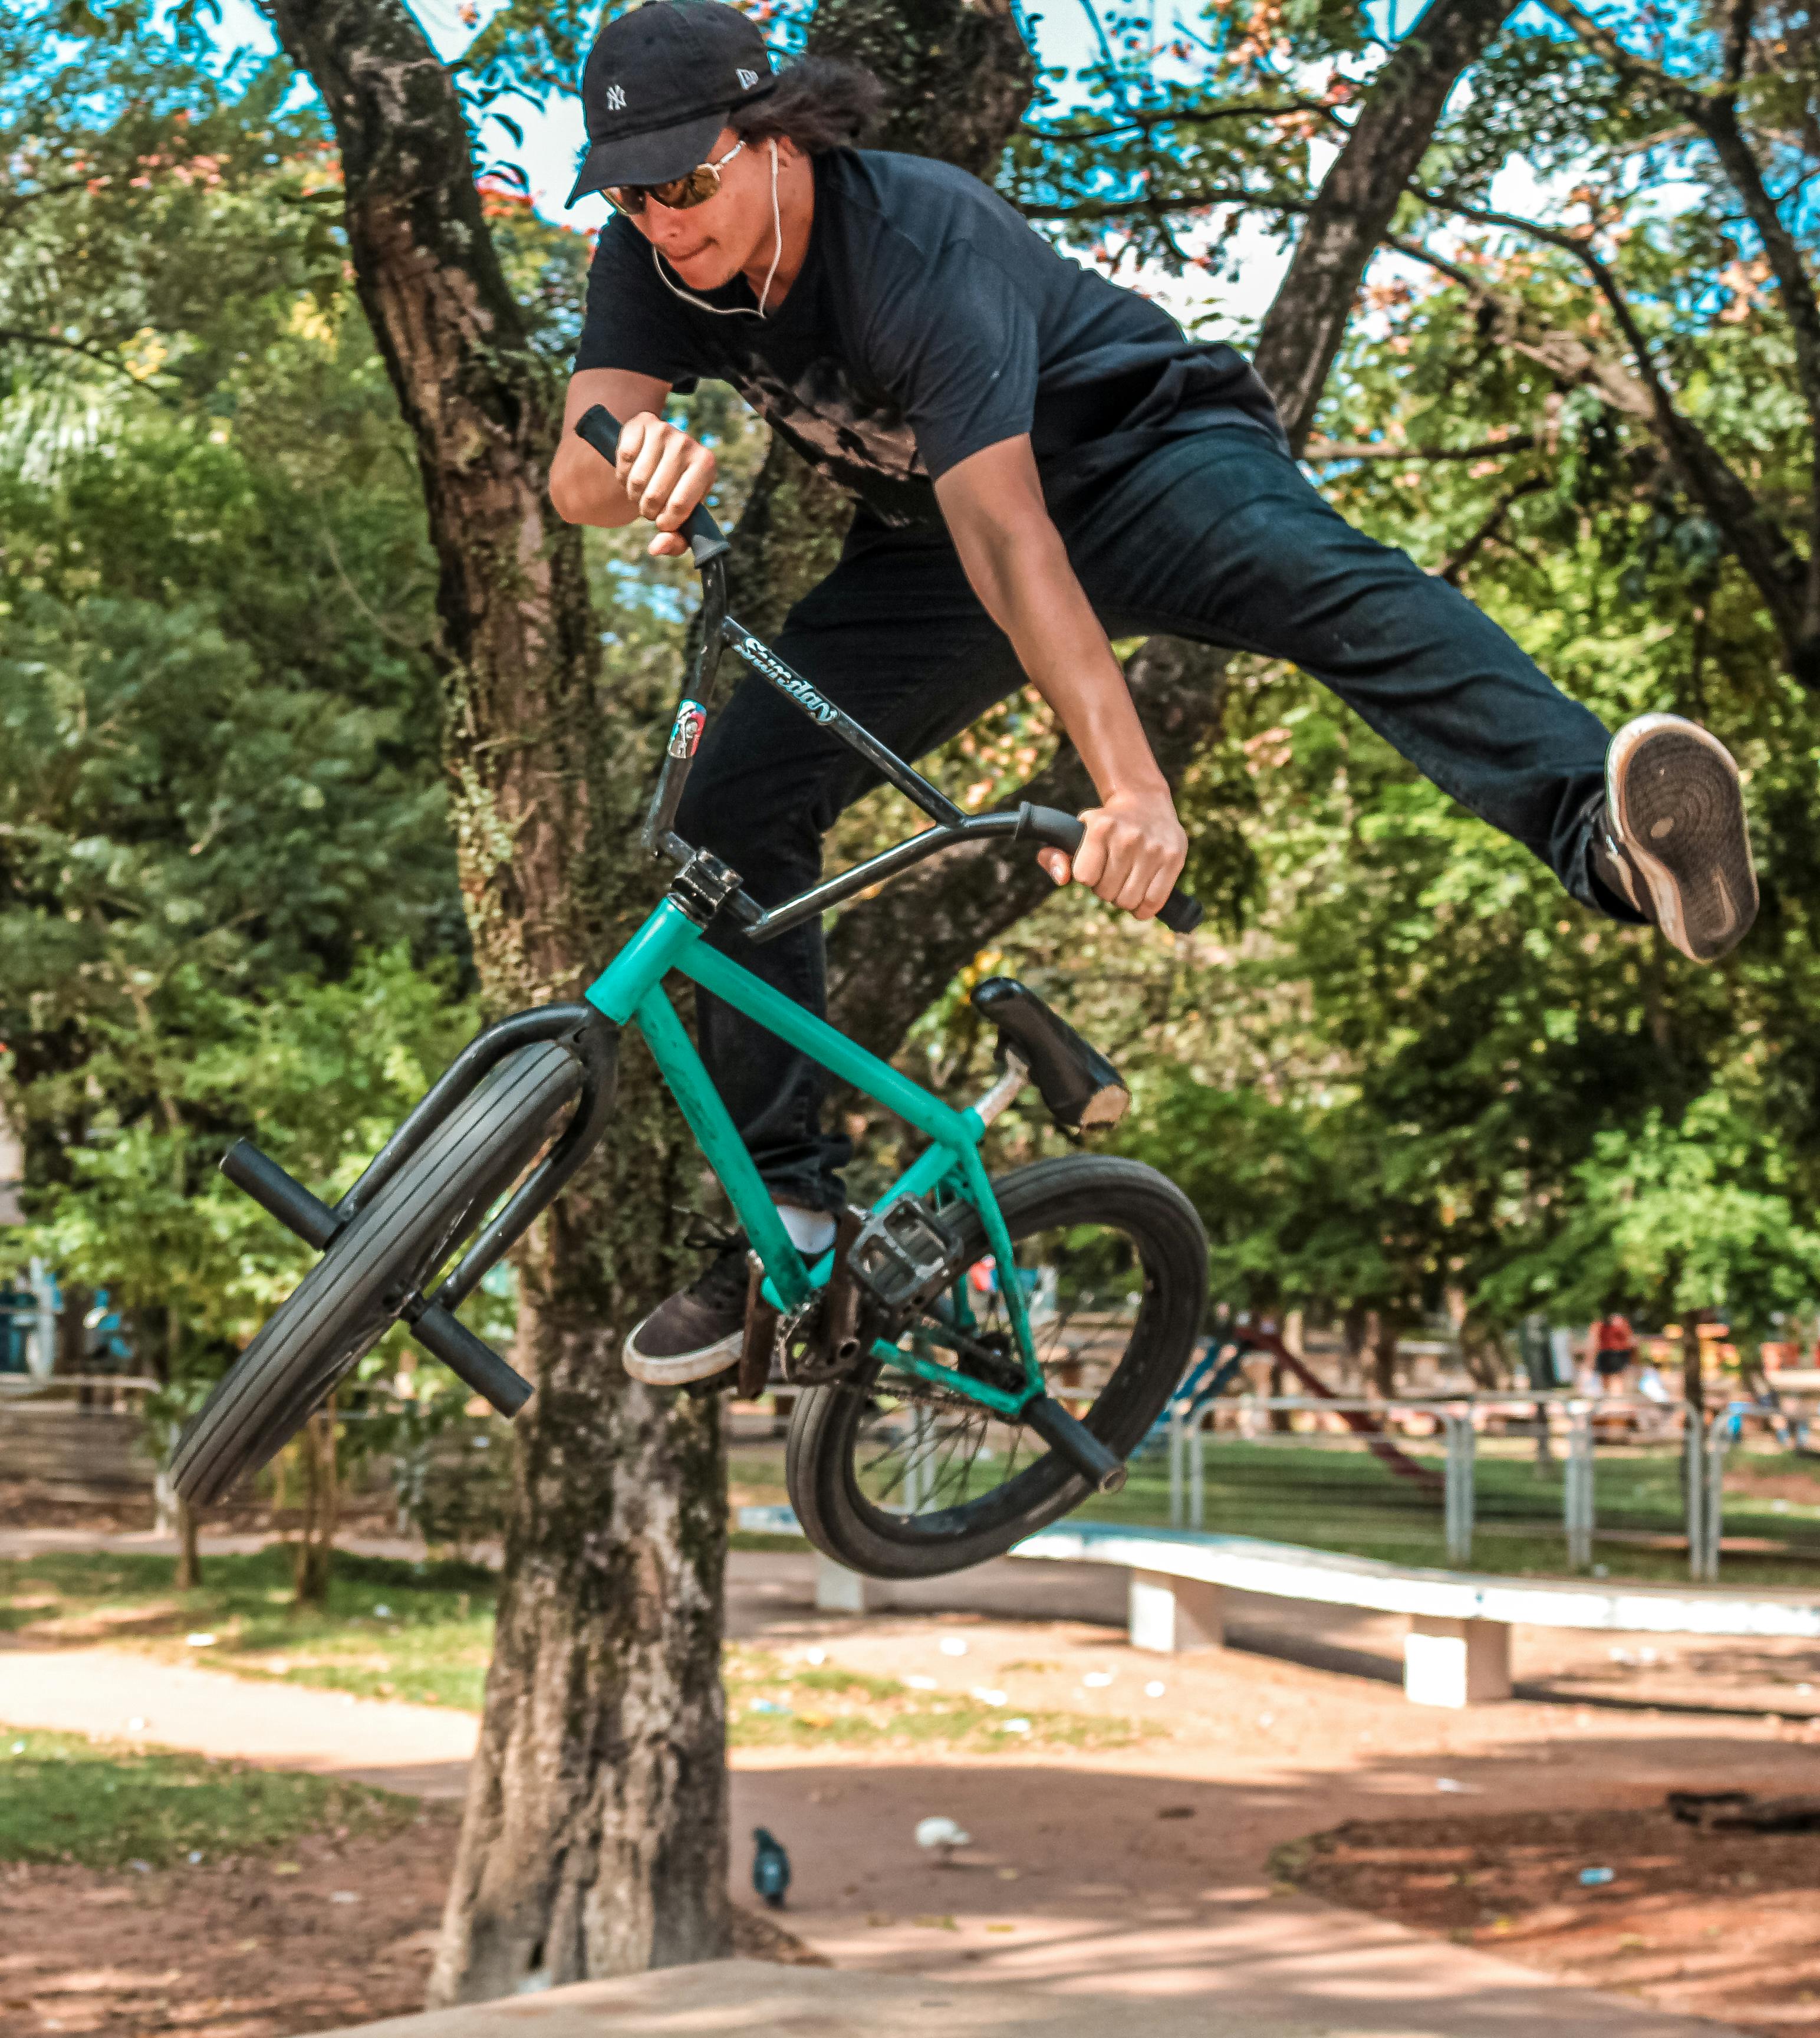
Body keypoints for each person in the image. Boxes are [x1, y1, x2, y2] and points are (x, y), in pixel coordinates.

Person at [548, 1, 1762, 1386]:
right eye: (634, 195)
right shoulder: (656, 252)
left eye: (690, 183)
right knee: (738, 796)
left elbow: (1022, 540)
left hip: (1144, 458)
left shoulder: (914, 243)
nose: (665, 221)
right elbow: (574, 467)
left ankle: (1603, 834)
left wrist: (1132, 788)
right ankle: (793, 1213)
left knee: (1331, 588)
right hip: (933, 553)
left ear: (775, 139)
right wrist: (630, 446)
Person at [1592, 1311, 1637, 1389]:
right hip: (1608, 1352)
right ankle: (1612, 1397)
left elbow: (1629, 1339)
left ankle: (1614, 1397)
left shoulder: (1601, 1324)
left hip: (1616, 1352)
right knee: (1610, 1378)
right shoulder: (1601, 1324)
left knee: (1615, 1378)